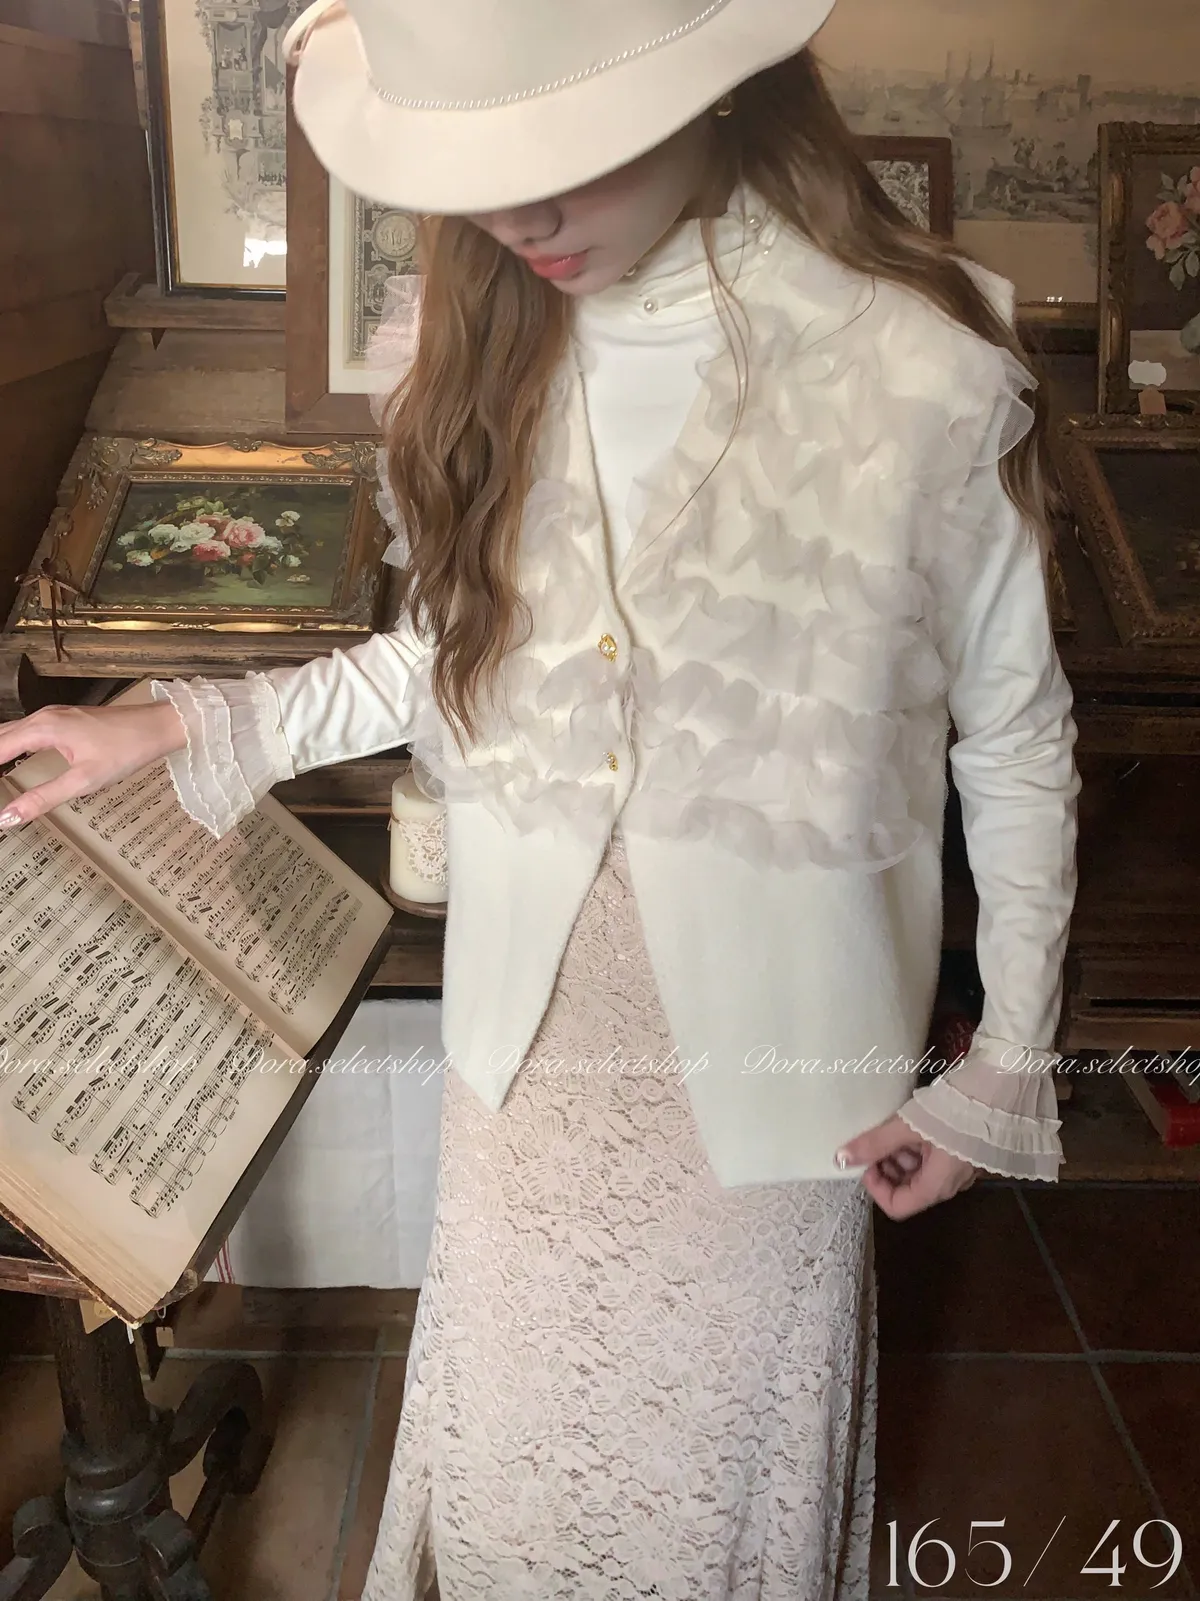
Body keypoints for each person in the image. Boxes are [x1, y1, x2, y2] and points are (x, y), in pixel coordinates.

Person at [0, 0, 1080, 1594]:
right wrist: (180, 721)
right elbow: (458, 658)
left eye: (573, 144)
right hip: (526, 1059)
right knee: (517, 1495)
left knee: (712, 1519)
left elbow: (1017, 735)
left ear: (712, 88)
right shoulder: (486, 342)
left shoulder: (922, 365)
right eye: (486, 163)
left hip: (778, 1085)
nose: (524, 211)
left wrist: (1007, 1064)